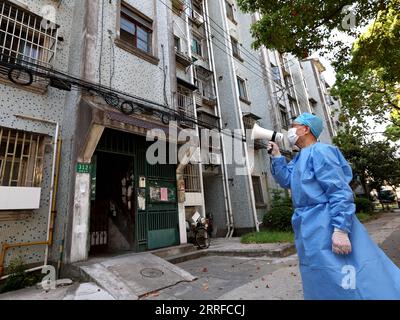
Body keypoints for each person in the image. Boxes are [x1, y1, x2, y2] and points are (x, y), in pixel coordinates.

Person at [268, 112, 400, 300]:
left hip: (326, 221)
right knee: (320, 274)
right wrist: (276, 156)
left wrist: (341, 229)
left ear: (305, 129)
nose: (290, 129)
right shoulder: (298, 158)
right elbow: (287, 180)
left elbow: (338, 191)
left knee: (346, 274)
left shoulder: (322, 152)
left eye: (293, 125)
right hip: (307, 225)